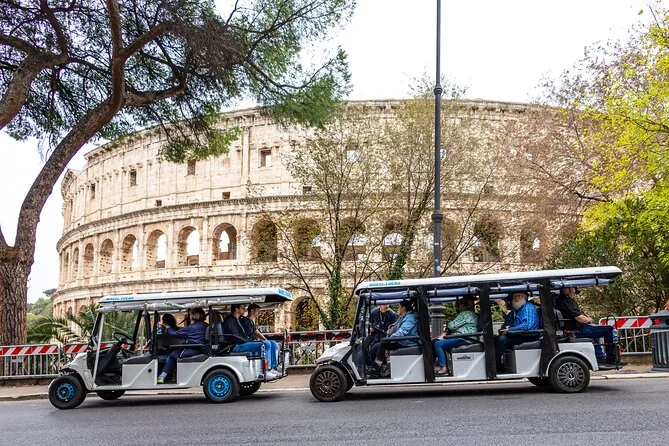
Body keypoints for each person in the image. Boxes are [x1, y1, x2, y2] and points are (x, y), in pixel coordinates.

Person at [556, 287, 624, 366]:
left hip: (575, 329)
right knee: (610, 329)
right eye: (573, 288)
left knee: (596, 332)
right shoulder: (567, 301)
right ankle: (612, 359)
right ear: (568, 290)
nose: (574, 291)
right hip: (578, 330)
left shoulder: (559, 300)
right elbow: (579, 318)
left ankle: (599, 357)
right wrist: (589, 320)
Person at [224, 304, 280, 378]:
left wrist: (250, 340)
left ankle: (273, 367)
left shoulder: (237, 319)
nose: (244, 310)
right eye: (242, 308)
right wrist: (249, 340)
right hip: (236, 345)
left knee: (272, 343)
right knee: (266, 344)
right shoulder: (231, 320)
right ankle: (265, 370)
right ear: (236, 309)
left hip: (242, 342)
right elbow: (235, 336)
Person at [157, 307, 208, 384]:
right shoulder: (206, 325)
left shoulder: (191, 327)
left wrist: (168, 328)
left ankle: (161, 377)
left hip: (191, 349)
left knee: (172, 356)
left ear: (193, 315)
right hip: (201, 349)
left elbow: (175, 334)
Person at [494, 292, 540, 371]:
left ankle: (497, 367)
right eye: (515, 296)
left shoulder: (528, 307)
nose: (516, 298)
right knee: (495, 338)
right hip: (519, 334)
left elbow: (527, 326)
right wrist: (505, 328)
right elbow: (507, 322)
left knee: (501, 340)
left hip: (528, 336)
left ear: (525, 298)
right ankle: (497, 363)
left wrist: (510, 330)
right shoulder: (517, 309)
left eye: (519, 296)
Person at [433, 297, 478, 375]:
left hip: (463, 338)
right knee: (441, 343)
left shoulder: (465, 314)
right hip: (470, 338)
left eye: (458, 305)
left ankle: (443, 367)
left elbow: (452, 326)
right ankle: (446, 366)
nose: (457, 308)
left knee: (438, 344)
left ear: (463, 306)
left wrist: (450, 323)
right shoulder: (473, 314)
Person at [372, 299, 418, 374]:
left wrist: (391, 338)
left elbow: (403, 331)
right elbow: (396, 328)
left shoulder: (410, 318)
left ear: (403, 308)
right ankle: (382, 367)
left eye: (399, 307)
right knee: (375, 347)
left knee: (383, 343)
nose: (398, 308)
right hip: (403, 340)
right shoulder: (404, 317)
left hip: (408, 342)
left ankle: (376, 368)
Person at [242, 303, 280, 371]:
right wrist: (264, 340)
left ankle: (274, 366)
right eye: (258, 311)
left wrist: (265, 339)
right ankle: (267, 368)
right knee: (267, 344)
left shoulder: (251, 321)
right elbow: (253, 333)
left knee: (274, 344)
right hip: (248, 341)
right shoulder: (246, 321)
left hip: (252, 340)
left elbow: (257, 332)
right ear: (252, 311)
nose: (259, 313)